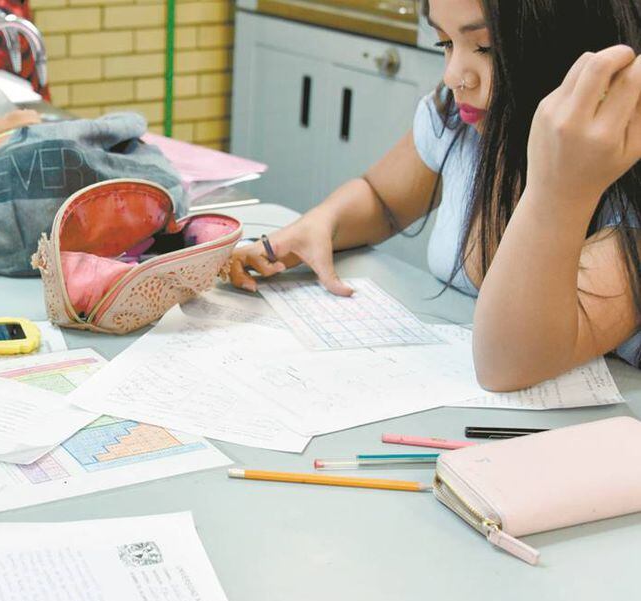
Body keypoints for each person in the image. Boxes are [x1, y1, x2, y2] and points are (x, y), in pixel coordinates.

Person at [227, 0, 641, 392]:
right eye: (445, 43)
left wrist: (559, 188)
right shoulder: (461, 123)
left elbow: (509, 364)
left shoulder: (622, 198)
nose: (454, 75)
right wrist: (321, 223)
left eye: (485, 48)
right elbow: (382, 199)